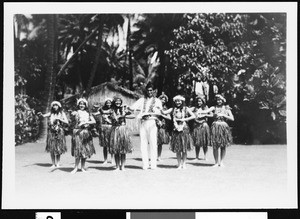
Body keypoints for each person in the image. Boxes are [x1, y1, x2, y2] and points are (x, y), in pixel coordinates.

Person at [128, 83, 163, 170]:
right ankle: (145, 164)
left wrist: (152, 114)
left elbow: (160, 112)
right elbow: (132, 108)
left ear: (154, 91)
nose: (149, 92)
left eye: (151, 90)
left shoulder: (157, 101)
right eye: (148, 90)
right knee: (143, 143)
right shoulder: (141, 100)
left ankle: (153, 164)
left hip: (152, 121)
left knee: (153, 143)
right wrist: (128, 108)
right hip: (143, 122)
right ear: (145, 91)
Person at [162, 95, 195, 169]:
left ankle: (184, 164)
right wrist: (159, 107)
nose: (178, 102)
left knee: (184, 148)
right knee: (178, 148)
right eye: (176, 101)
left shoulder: (186, 109)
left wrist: (185, 119)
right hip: (176, 130)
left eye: (179, 101)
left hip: (184, 130)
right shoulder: (172, 109)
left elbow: (193, 116)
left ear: (182, 101)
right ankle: (179, 164)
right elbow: (164, 112)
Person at [38, 101, 69, 168]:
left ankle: (57, 163)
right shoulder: (51, 113)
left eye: (56, 105)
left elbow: (66, 122)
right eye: (54, 105)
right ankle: (53, 163)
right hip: (51, 132)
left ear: (59, 106)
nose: (55, 107)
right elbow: (44, 115)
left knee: (58, 148)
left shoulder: (62, 113)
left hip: (59, 131)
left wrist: (59, 119)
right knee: (52, 148)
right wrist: (41, 115)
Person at [206, 94, 234, 167]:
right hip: (215, 126)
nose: (218, 101)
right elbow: (207, 111)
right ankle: (216, 162)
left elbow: (232, 118)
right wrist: (201, 112)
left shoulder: (226, 108)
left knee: (223, 145)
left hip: (223, 127)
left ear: (223, 100)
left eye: (220, 100)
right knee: (215, 145)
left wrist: (224, 115)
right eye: (217, 100)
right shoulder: (214, 107)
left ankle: (221, 162)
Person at [70, 98, 96, 173]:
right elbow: (72, 119)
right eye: (80, 104)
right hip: (78, 132)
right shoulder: (76, 112)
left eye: (83, 104)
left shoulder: (88, 113)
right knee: (78, 151)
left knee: (84, 151)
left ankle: (82, 167)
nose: (82, 105)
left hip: (85, 132)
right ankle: (75, 167)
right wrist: (74, 116)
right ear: (78, 105)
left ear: (85, 105)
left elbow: (93, 121)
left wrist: (86, 122)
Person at [109, 97, 133, 171]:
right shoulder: (112, 110)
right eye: (116, 102)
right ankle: (117, 166)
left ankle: (122, 166)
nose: (118, 103)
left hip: (123, 129)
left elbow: (132, 114)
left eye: (119, 102)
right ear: (114, 102)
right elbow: (111, 118)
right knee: (116, 149)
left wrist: (125, 113)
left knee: (123, 149)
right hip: (115, 130)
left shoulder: (124, 109)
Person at [93, 98, 114, 164]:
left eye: (110, 102)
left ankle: (112, 159)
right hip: (104, 127)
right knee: (105, 145)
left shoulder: (113, 110)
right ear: (105, 103)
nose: (108, 104)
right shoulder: (101, 110)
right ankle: (105, 159)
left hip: (111, 127)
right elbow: (95, 114)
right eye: (107, 103)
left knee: (111, 144)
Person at [190, 95, 212, 160]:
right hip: (196, 126)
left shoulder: (205, 107)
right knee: (197, 142)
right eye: (197, 101)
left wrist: (204, 114)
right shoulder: (194, 108)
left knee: (204, 142)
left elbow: (211, 114)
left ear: (202, 101)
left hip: (203, 125)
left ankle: (205, 156)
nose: (198, 102)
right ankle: (197, 156)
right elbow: (187, 110)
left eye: (200, 101)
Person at [157, 93, 171, 161]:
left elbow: (169, 118)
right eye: (162, 99)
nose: (163, 101)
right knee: (153, 142)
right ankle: (153, 156)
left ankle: (159, 156)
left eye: (164, 100)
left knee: (160, 143)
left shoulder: (165, 108)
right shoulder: (155, 107)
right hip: (155, 125)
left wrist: (162, 115)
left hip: (162, 127)